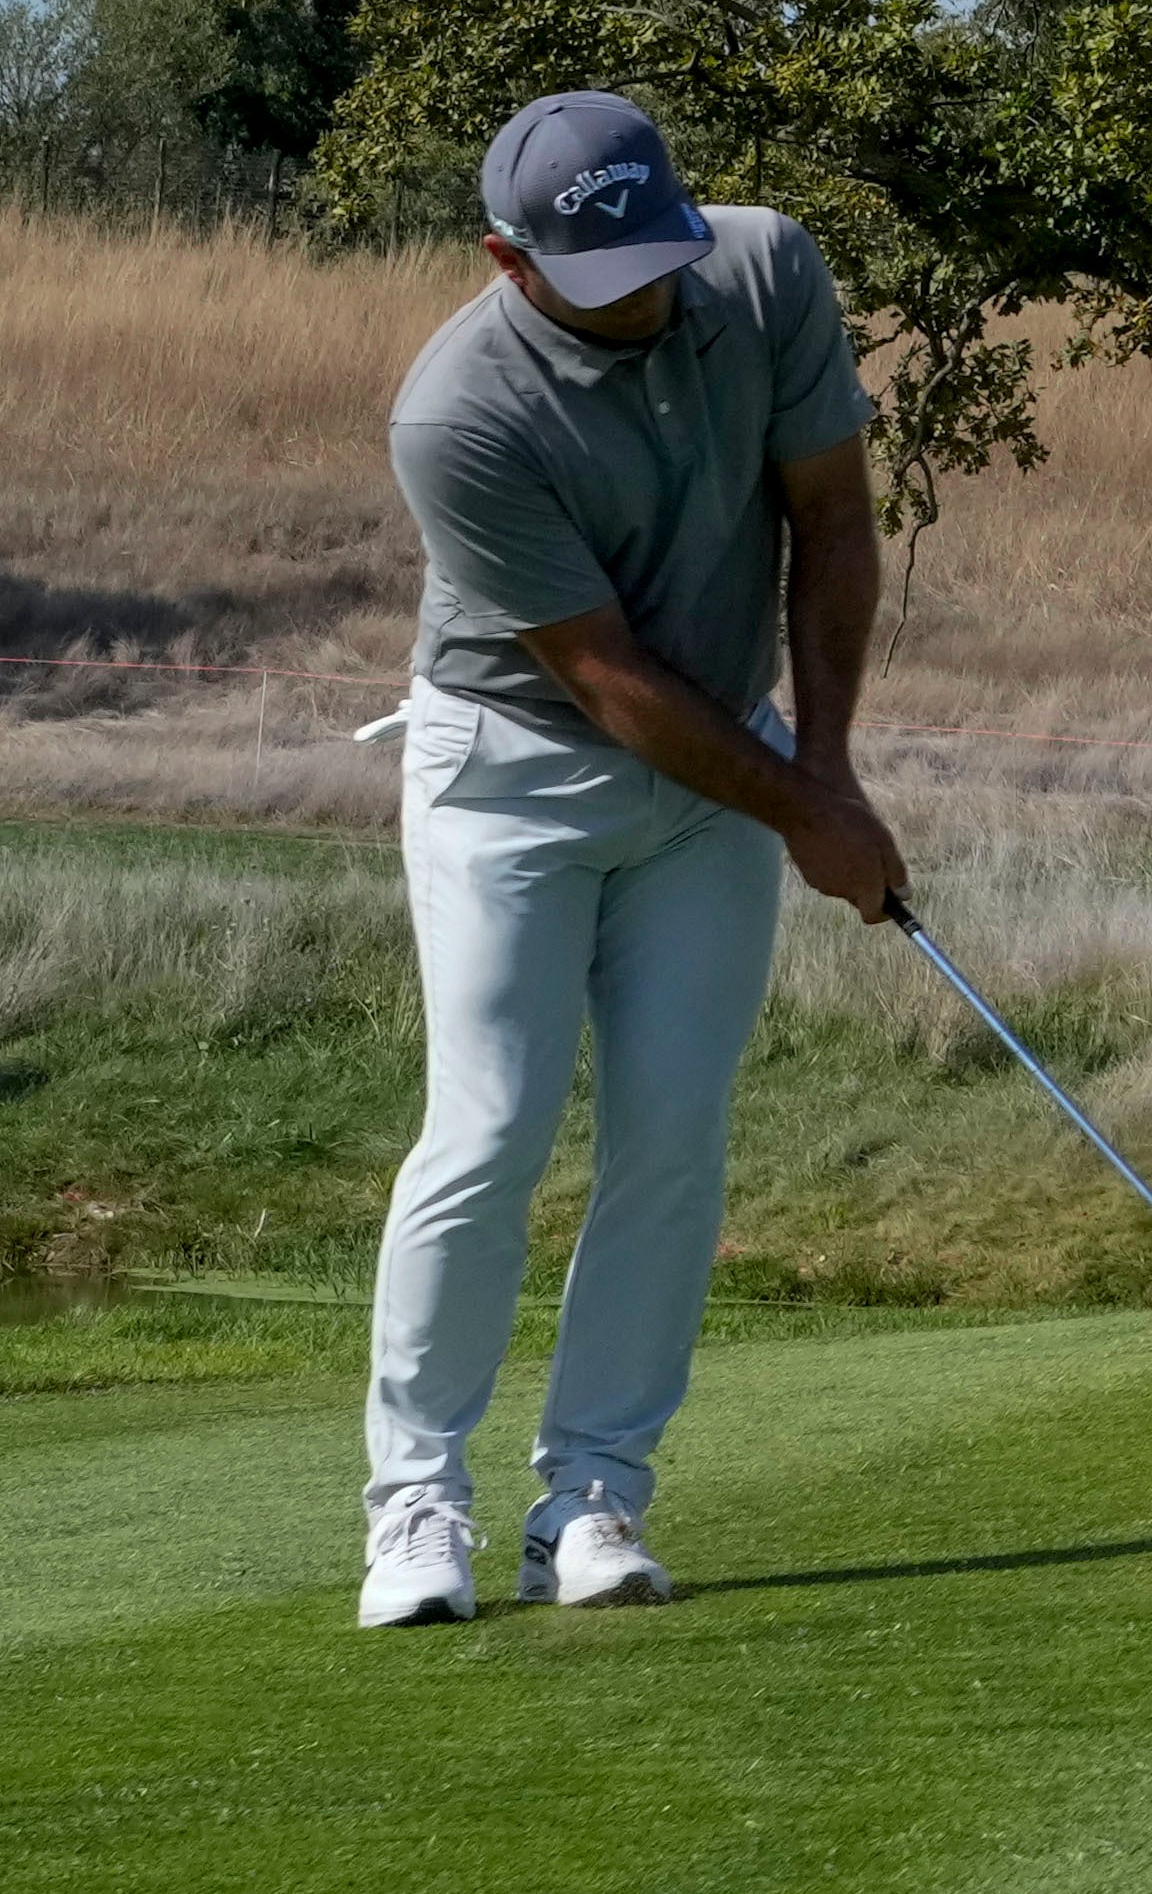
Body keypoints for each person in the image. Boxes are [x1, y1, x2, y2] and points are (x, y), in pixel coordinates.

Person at [358, 87, 904, 1629]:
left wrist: (831, 769)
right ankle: (416, 1510)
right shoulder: (455, 413)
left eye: (655, 261)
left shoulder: (768, 269)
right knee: (492, 1129)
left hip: (720, 762)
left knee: (673, 1138)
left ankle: (592, 1498)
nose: (645, 300)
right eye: (601, 281)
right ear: (506, 256)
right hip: (509, 775)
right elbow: (599, 674)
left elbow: (834, 517)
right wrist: (804, 811)